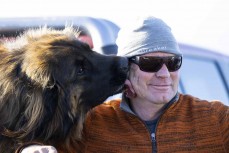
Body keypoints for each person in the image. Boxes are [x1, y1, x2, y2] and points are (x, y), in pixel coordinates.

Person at [20, 16, 228, 153]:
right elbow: (29, 139)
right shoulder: (89, 126)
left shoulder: (217, 121)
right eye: (151, 63)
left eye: (173, 62)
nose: (165, 74)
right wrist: (28, 149)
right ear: (126, 67)